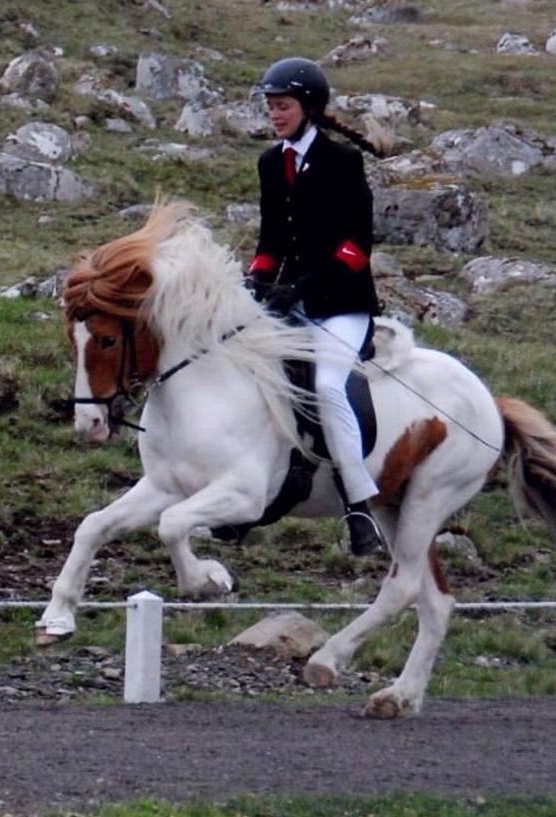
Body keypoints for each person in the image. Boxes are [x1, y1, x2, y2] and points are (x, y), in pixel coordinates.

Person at [246, 57, 388, 556]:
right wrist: (259, 276)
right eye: (270, 106)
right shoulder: (271, 163)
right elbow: (271, 240)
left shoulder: (343, 161)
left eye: (282, 106)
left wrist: (303, 285)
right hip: (294, 300)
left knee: (327, 386)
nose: (275, 114)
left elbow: (355, 248)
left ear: (307, 108)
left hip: (342, 303)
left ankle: (357, 503)